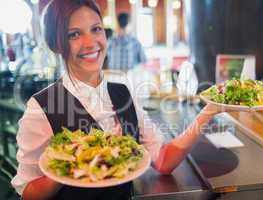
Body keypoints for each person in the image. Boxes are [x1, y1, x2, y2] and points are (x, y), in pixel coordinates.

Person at [11, 0, 233, 200]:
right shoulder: (41, 107)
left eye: (96, 29)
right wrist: (66, 165)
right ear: (56, 43)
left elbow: (163, 160)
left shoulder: (123, 93)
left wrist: (209, 111)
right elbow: (28, 193)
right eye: (74, 34)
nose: (90, 43)